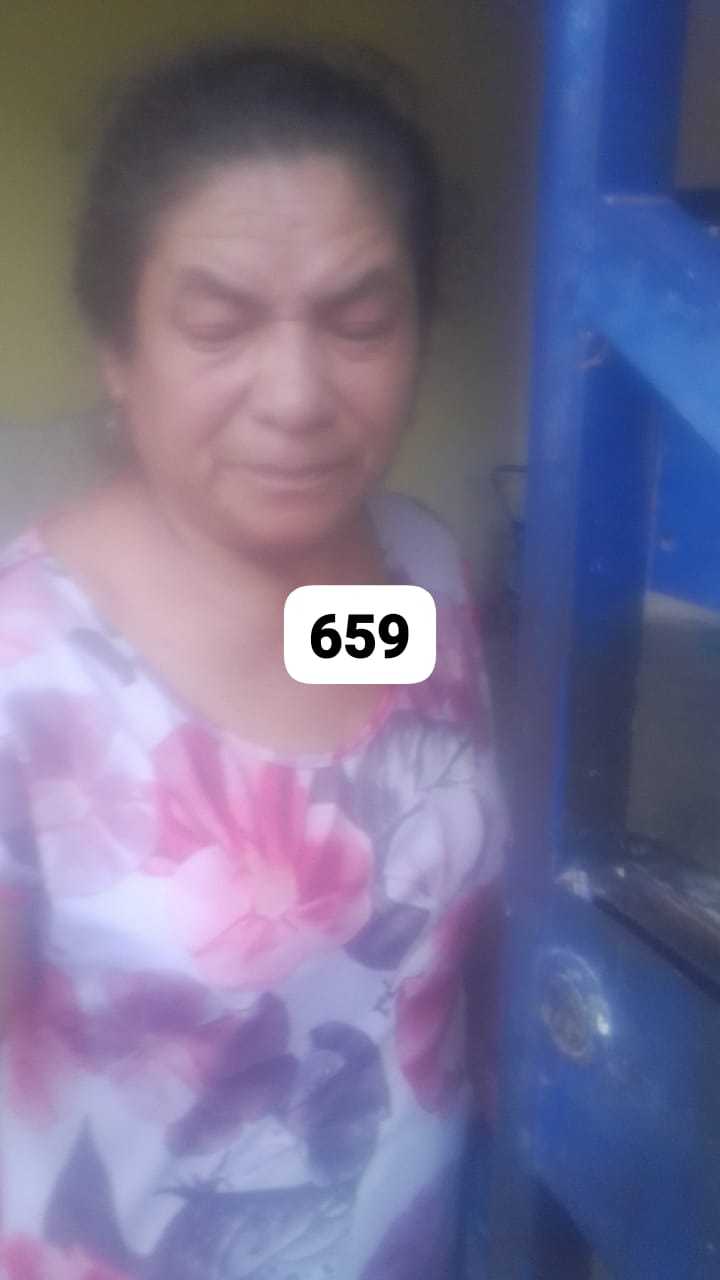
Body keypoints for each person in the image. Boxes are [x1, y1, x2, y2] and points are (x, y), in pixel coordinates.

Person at [0, 42, 506, 1279]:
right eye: (219, 325)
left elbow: (329, 697)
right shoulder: (29, 680)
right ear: (119, 348)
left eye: (361, 321)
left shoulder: (414, 581)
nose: (296, 395)